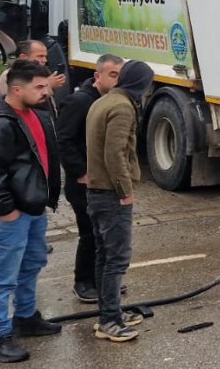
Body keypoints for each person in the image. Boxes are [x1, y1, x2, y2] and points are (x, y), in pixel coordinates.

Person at [0, 60, 64, 363]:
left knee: (32, 263)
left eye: (46, 85)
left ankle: (25, 317)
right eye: (39, 87)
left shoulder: (37, 113)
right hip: (7, 215)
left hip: (33, 208)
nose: (46, 91)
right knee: (2, 277)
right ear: (16, 89)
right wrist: (5, 210)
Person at [86, 60, 154, 343]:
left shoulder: (104, 101)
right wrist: (125, 190)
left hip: (96, 190)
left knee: (104, 256)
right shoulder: (123, 107)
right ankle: (110, 322)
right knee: (117, 259)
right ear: (141, 84)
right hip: (111, 195)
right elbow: (115, 153)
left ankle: (109, 312)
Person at [55, 54, 123, 303]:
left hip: (102, 183)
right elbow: (63, 139)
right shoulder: (80, 102)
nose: (117, 80)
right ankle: (82, 281)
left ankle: (103, 279)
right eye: (112, 74)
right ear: (98, 76)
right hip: (82, 183)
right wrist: (80, 171)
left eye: (120, 75)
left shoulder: (110, 101)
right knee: (90, 233)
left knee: (104, 234)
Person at [0, 40, 67, 108]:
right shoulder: (10, 76)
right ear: (23, 57)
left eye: (45, 56)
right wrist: (49, 86)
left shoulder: (42, 73)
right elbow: (15, 104)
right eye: (40, 56)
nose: (45, 60)